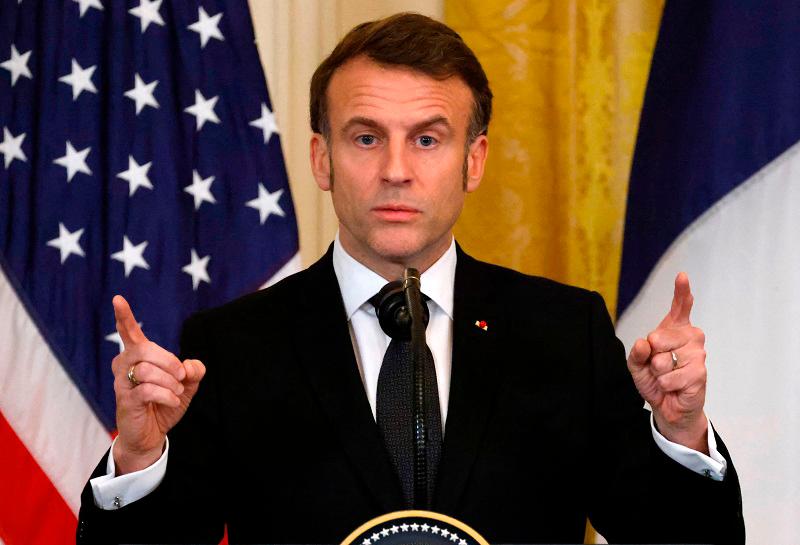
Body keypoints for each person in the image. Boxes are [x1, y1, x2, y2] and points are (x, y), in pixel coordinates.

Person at [77, 13, 744, 544]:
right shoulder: (231, 345)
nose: (396, 169)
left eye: (428, 139)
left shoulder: (566, 332)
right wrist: (139, 457)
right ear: (322, 157)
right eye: (366, 138)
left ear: (473, 160)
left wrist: (681, 432)